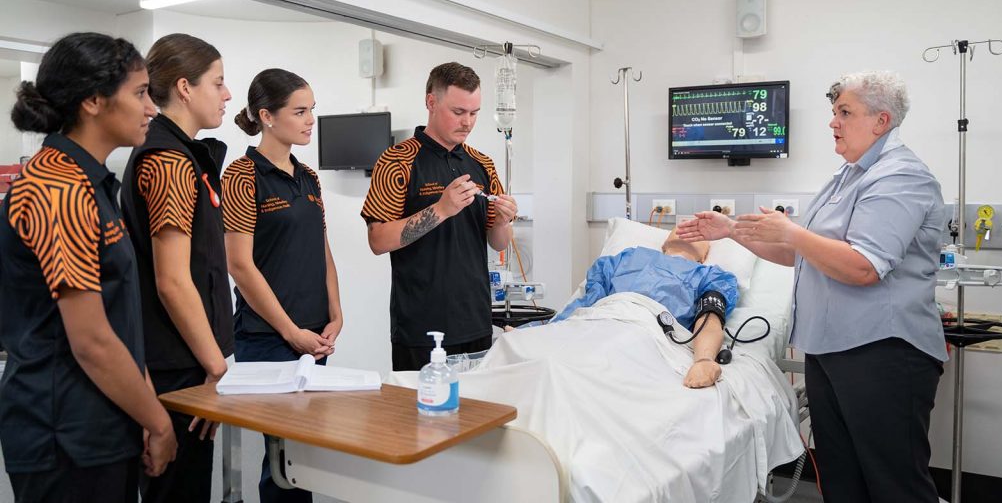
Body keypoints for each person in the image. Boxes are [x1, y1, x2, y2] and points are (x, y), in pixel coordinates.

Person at [677, 70, 946, 502]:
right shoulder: (847, 176)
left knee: (895, 486)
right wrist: (731, 231)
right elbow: (798, 255)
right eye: (834, 111)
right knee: (843, 483)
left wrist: (793, 233)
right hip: (832, 351)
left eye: (844, 112)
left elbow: (864, 267)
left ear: (881, 120)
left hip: (883, 353)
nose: (833, 122)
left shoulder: (901, 177)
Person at [0, 32, 176, 503]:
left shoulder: (91, 184)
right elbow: (92, 341)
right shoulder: (58, 188)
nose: (152, 109)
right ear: (94, 100)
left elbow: (117, 323)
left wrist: (141, 410)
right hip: (65, 434)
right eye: (140, 93)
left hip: (102, 422)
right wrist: (158, 422)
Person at [119, 33, 234, 503]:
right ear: (185, 88)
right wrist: (214, 367)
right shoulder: (168, 160)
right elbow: (171, 280)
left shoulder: (185, 154)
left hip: (188, 359)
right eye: (219, 82)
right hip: (177, 366)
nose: (228, 94)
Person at [222, 68, 342, 503]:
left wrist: (336, 314)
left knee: (304, 457)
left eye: (312, 110)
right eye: (300, 111)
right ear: (267, 116)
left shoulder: (308, 177)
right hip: (270, 339)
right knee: (279, 463)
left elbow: (321, 249)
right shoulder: (241, 176)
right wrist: (291, 333)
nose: (311, 119)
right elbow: (240, 265)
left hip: (315, 334)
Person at [361, 62, 518, 371]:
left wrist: (503, 221)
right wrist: (441, 209)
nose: (467, 122)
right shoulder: (397, 161)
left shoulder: (481, 163)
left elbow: (498, 244)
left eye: (474, 113)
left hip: (475, 319)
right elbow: (378, 241)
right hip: (421, 325)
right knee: (420, 417)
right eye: (458, 112)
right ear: (431, 102)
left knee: (475, 414)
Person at [554, 234, 738, 388]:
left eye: (698, 231)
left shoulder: (710, 276)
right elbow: (587, 303)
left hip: (647, 331)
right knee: (554, 357)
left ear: (704, 256)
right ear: (664, 245)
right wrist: (552, 327)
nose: (689, 228)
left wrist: (704, 360)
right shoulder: (625, 258)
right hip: (601, 319)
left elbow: (709, 319)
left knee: (586, 369)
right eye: (684, 226)